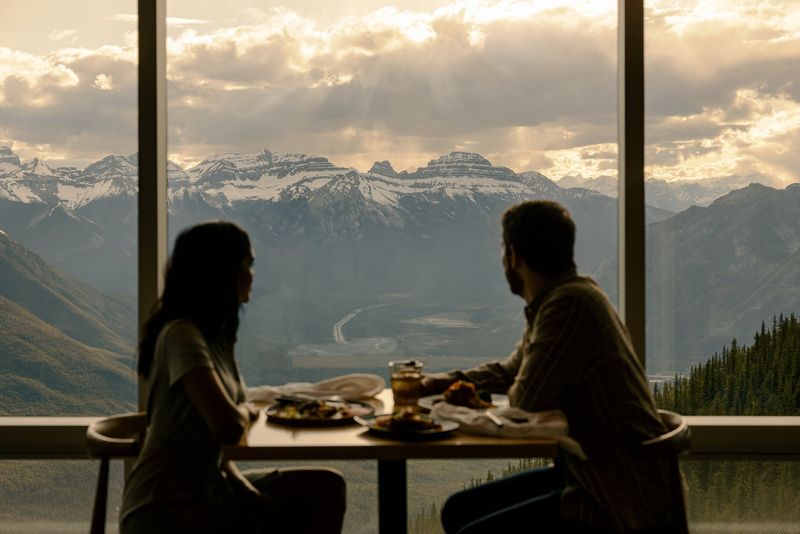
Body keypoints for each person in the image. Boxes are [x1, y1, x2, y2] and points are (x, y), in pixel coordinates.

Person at [422, 201, 684, 533]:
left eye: (504, 251)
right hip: (593, 474)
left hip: (616, 499)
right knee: (458, 510)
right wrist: (431, 383)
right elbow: (510, 371)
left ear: (514, 257)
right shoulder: (566, 297)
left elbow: (527, 401)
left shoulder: (569, 306)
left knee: (467, 528)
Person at [120, 221, 346, 534]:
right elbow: (227, 426)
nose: (252, 275)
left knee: (326, 486)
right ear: (221, 273)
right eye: (246, 265)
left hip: (208, 488)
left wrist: (244, 488)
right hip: (164, 507)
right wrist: (246, 409)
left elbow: (211, 447)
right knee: (319, 494)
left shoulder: (216, 339)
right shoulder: (182, 335)